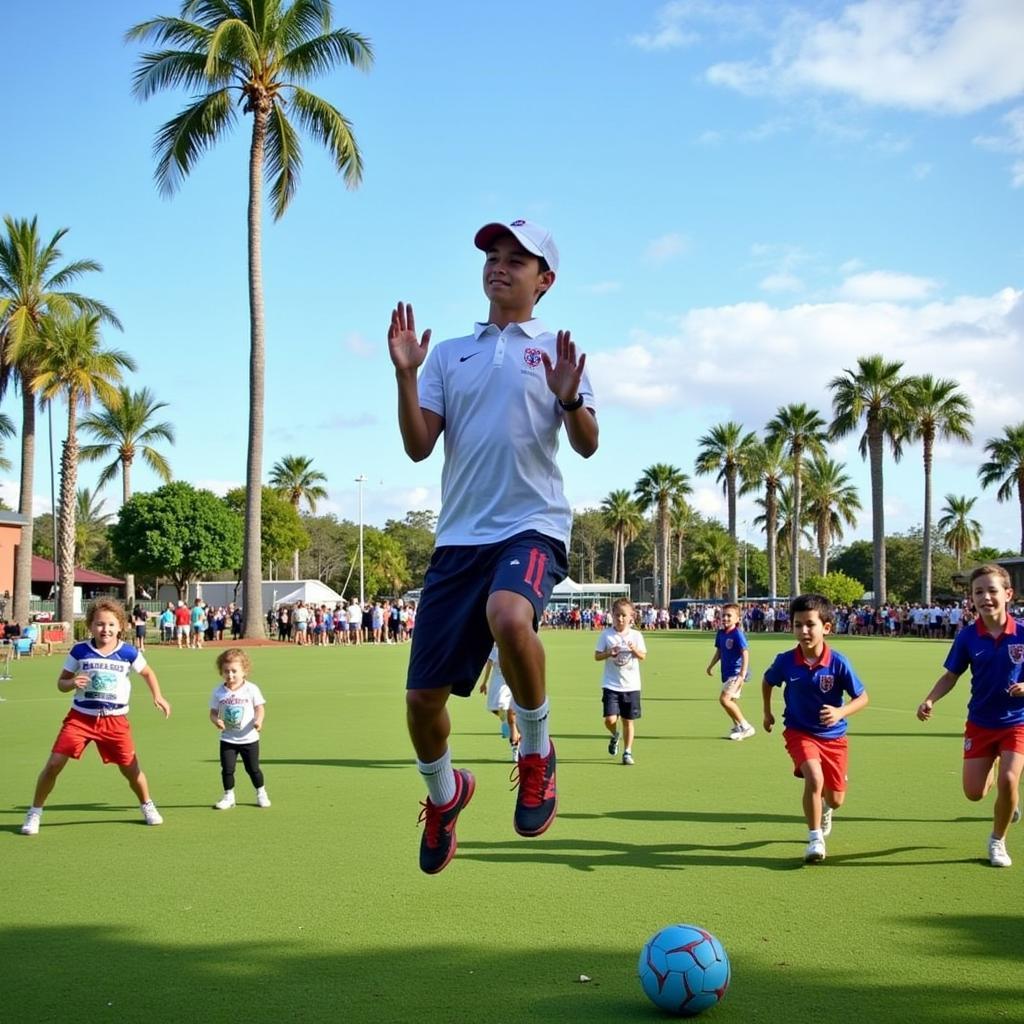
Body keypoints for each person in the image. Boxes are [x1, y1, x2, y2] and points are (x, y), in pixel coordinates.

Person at [388, 217, 598, 874]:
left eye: (516, 259)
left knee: (510, 615)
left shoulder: (557, 353)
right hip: (457, 541)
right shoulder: (450, 353)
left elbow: (588, 443)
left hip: (532, 525)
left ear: (546, 279)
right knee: (422, 704)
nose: (499, 266)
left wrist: (570, 402)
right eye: (492, 257)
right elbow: (420, 444)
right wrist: (405, 375)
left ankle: (535, 749)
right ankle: (446, 797)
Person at [20, 598, 170, 835]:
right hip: (80, 718)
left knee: (130, 769)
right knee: (53, 765)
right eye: (100, 624)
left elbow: (148, 673)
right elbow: (61, 683)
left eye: (111, 624)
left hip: (115, 721)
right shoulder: (80, 650)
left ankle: (147, 805)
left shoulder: (128, 652)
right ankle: (34, 813)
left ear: (120, 626)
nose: (105, 629)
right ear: (90, 626)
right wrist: (71, 683)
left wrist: (158, 696)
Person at [917, 564, 1024, 868]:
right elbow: (951, 676)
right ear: (972, 598)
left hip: (1017, 722)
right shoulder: (967, 637)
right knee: (975, 793)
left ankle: (997, 841)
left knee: (1008, 779)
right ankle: (1008, 799)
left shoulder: (1023, 633)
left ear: (1008, 594)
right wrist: (929, 699)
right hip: (980, 723)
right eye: (979, 592)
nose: (985, 597)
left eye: (992, 590)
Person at [762, 593, 869, 864]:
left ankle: (826, 810)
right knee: (814, 778)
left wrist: (840, 712)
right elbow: (767, 681)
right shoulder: (785, 661)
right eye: (798, 625)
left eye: (810, 624)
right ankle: (814, 838)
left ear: (826, 627)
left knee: (836, 799)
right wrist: (767, 712)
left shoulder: (838, 662)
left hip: (834, 737)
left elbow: (863, 697)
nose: (804, 631)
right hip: (799, 731)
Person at [208, 648, 270, 810]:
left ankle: (261, 793)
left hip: (249, 738)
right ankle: (229, 796)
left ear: (244, 671)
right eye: (226, 671)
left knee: (253, 769)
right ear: (221, 672)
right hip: (228, 739)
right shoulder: (218, 692)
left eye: (234, 671)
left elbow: (260, 708)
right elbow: (213, 712)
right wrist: (217, 721)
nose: (230, 675)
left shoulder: (251, 689)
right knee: (227, 769)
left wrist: (259, 720)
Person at [594, 597, 647, 765]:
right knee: (610, 719)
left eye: (624, 615)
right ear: (612, 615)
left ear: (632, 616)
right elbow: (597, 656)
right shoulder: (606, 635)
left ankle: (627, 752)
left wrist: (634, 650)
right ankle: (614, 734)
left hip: (631, 685)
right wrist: (609, 653)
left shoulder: (636, 635)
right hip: (611, 684)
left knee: (628, 721)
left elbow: (643, 656)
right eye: (617, 615)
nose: (620, 619)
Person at [706, 602, 754, 740]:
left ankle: (746, 726)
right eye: (724, 615)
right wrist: (710, 666)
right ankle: (738, 727)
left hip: (736, 673)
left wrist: (742, 674)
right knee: (731, 700)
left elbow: (745, 652)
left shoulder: (737, 634)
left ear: (737, 619)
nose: (725, 618)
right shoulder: (721, 633)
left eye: (729, 615)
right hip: (726, 674)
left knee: (724, 699)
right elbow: (719, 651)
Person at [478, 643, 520, 761]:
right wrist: (484, 682)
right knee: (499, 708)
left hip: (513, 683)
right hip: (499, 683)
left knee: (512, 718)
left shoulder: (515, 646)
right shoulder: (495, 647)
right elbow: (489, 664)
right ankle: (509, 725)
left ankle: (515, 749)